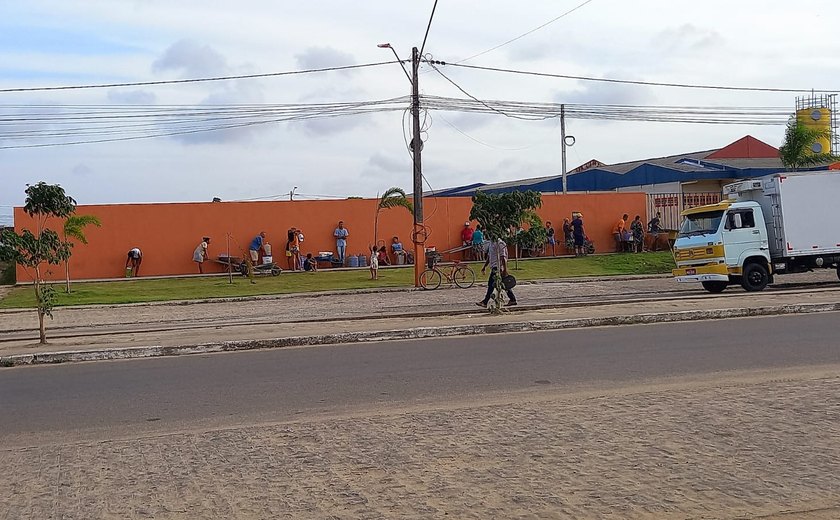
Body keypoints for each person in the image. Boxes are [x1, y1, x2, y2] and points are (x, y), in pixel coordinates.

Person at [476, 237, 516, 308]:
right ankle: (512, 299)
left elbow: (503, 257)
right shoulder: (491, 243)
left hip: (498, 267)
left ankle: (485, 302)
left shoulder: (500, 243)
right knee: (503, 284)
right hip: (494, 267)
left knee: (491, 285)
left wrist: (505, 269)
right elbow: (489, 256)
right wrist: (485, 266)